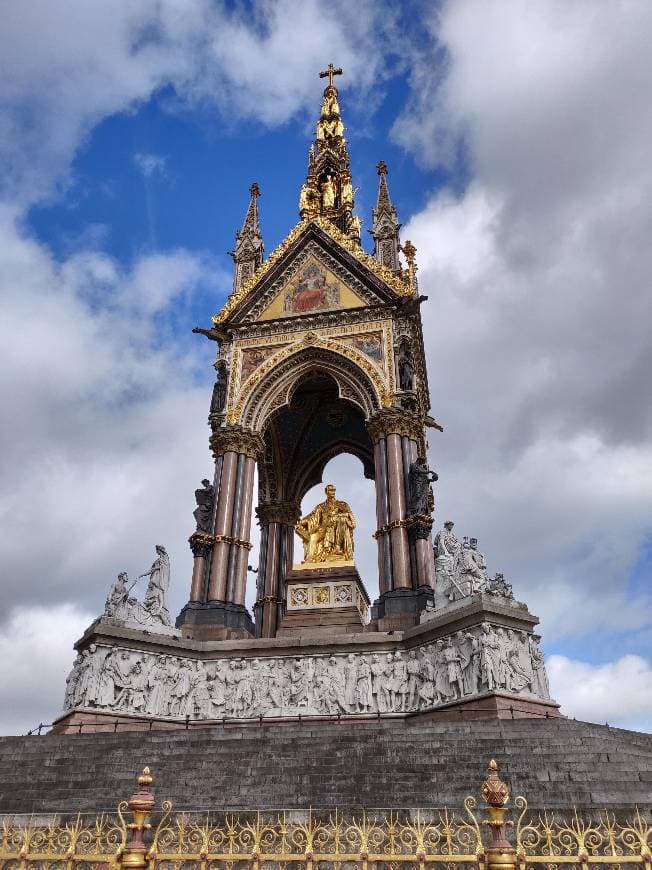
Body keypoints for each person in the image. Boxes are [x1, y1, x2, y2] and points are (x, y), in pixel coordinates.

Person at [296, 485, 355, 563]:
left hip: (336, 528)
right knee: (313, 537)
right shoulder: (321, 506)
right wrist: (302, 522)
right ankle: (309, 560)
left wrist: (339, 516)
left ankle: (337, 547)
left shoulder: (342, 504)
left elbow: (350, 517)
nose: (332, 492)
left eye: (334, 490)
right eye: (330, 490)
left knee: (342, 520)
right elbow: (312, 516)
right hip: (323, 529)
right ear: (326, 492)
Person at [142, 545, 171, 625]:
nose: (156, 552)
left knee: (157, 588)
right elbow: (151, 570)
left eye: (157, 550)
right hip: (155, 575)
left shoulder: (164, 559)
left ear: (160, 550)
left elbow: (164, 569)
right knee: (152, 587)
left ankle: (158, 607)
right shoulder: (157, 560)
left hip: (159, 576)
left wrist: (156, 568)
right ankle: (151, 604)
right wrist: (144, 574)